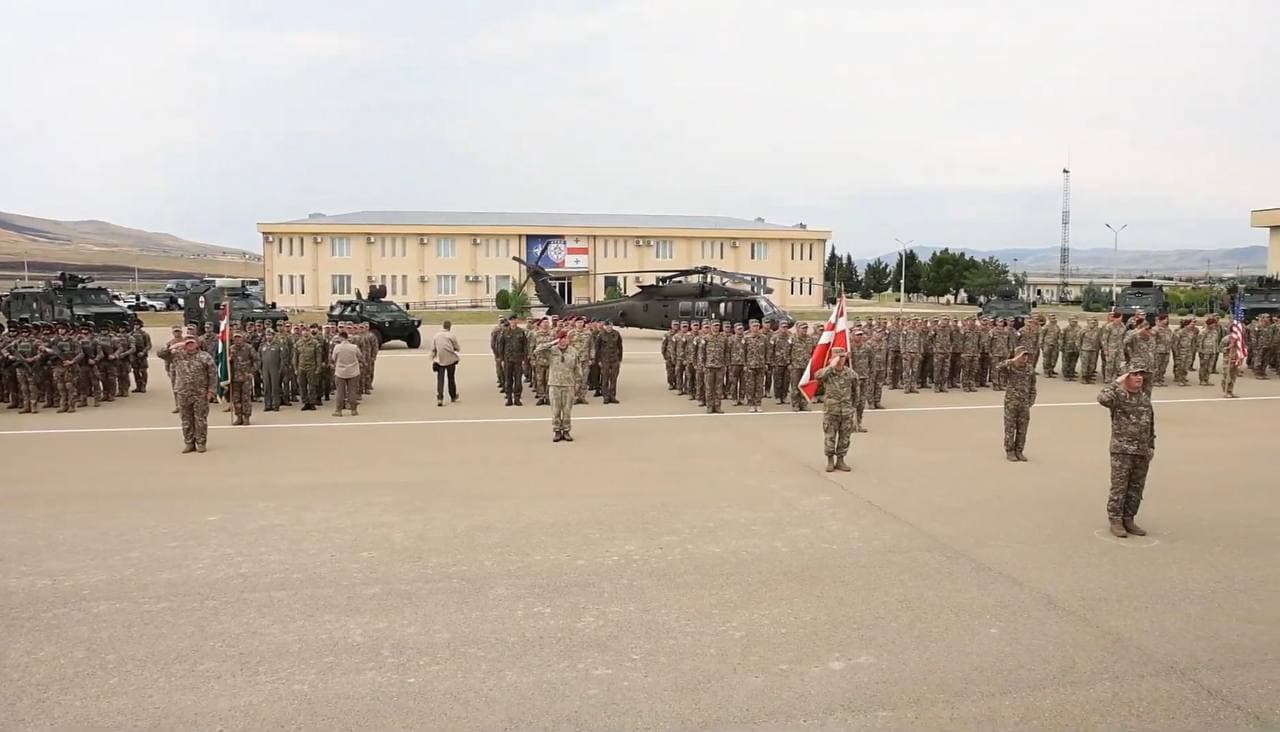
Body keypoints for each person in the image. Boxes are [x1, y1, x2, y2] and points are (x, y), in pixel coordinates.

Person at [1098, 367, 1156, 538]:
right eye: (1134, 375)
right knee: (1120, 487)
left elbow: (1150, 423)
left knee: (1136, 488)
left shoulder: (1144, 398)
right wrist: (1117, 382)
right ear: (1126, 378)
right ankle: (1115, 519)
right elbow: (1102, 398)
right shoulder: (1118, 396)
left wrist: (1151, 446)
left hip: (1141, 450)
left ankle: (1129, 518)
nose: (1139, 378)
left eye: (1141, 375)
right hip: (1122, 450)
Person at [160, 336, 217, 453]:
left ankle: (201, 443)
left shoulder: (205, 356)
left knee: (200, 419)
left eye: (192, 342)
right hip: (183, 393)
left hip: (200, 393)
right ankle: (189, 443)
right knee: (186, 420)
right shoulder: (177, 355)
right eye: (187, 342)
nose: (190, 345)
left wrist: (211, 390)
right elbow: (161, 354)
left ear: (197, 344)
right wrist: (174, 346)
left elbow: (213, 374)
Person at [536, 329, 582, 443]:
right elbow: (537, 350)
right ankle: (557, 431)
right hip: (554, 384)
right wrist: (552, 343)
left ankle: (566, 431)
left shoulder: (573, 351)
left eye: (565, 338)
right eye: (561, 338)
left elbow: (577, 367)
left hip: (569, 384)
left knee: (567, 410)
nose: (563, 341)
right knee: (556, 410)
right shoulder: (551, 350)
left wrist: (578, 382)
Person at [815, 346, 856, 472]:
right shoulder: (827, 373)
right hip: (831, 411)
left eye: (842, 357)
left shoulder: (850, 373)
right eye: (838, 357)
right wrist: (831, 366)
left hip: (846, 411)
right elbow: (818, 377)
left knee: (845, 438)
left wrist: (853, 409)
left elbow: (856, 392)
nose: (840, 360)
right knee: (830, 437)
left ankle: (840, 460)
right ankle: (830, 460)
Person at [996, 347, 1037, 462]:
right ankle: (1010, 451)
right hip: (1011, 403)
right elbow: (998, 367)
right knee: (1010, 428)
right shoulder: (1010, 367)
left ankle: (1019, 451)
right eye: (1022, 355)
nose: (1024, 358)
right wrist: (1013, 360)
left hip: (1024, 404)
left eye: (1026, 355)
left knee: (1022, 429)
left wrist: (1031, 401)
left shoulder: (1029, 369)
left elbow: (1033, 386)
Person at [228, 331, 259, 426]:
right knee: (236, 399)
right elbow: (226, 364)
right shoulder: (231, 348)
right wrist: (229, 360)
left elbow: (257, 360)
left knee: (246, 398)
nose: (237, 339)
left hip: (246, 377)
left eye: (239, 337)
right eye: (235, 338)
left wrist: (251, 372)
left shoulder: (249, 348)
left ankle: (246, 417)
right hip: (234, 378)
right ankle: (239, 417)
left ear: (243, 338)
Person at [499, 316, 529, 406]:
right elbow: (501, 345)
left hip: (518, 360)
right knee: (508, 380)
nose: (513, 322)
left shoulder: (521, 332)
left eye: (515, 320)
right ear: (509, 321)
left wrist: (524, 359)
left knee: (518, 380)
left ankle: (517, 398)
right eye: (511, 320)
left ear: (517, 321)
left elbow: (525, 345)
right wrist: (501, 359)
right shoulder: (504, 331)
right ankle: (509, 398)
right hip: (508, 359)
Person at [331, 331, 362, 416]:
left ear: (340, 337)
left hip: (340, 372)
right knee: (352, 392)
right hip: (353, 372)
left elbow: (333, 358)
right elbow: (360, 356)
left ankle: (338, 410)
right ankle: (353, 410)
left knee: (340, 392)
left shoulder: (337, 347)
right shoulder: (354, 347)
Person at [431, 320, 461, 407]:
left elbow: (433, 349)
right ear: (450, 327)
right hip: (450, 359)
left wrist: (433, 358)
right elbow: (457, 348)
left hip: (439, 360)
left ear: (442, 326)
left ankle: (440, 398)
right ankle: (453, 396)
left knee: (440, 380)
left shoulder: (436, 336)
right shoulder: (451, 336)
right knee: (451, 378)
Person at [595, 321, 624, 404]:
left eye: (610, 325)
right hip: (605, 360)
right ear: (604, 326)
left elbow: (620, 347)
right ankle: (606, 397)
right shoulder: (601, 335)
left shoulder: (616, 334)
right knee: (605, 379)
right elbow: (597, 348)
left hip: (614, 359)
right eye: (607, 326)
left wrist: (620, 359)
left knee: (613, 379)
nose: (609, 327)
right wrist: (599, 360)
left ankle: (612, 396)